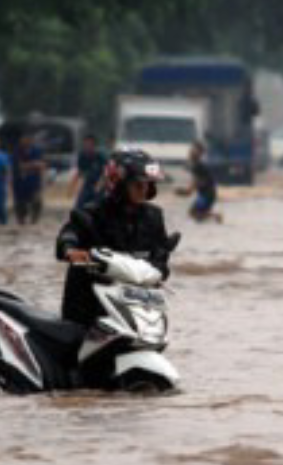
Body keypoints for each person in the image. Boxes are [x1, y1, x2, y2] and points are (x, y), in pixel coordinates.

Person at [55, 150, 174, 327]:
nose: (144, 190)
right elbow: (70, 233)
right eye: (138, 185)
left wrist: (160, 266)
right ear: (120, 184)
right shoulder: (92, 213)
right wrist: (70, 249)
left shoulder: (154, 217)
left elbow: (160, 259)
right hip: (89, 308)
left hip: (134, 308)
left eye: (148, 185)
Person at [176, 140, 223, 223]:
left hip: (206, 194)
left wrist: (188, 191)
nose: (190, 151)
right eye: (191, 149)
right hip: (205, 194)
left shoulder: (198, 165)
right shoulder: (197, 164)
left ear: (199, 153)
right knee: (197, 216)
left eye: (193, 149)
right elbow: (198, 180)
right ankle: (216, 218)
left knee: (194, 213)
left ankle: (217, 216)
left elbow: (197, 181)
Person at [11, 132, 46, 224]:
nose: (26, 141)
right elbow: (19, 166)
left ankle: (34, 221)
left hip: (34, 182)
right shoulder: (17, 151)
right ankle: (21, 221)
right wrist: (34, 164)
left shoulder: (37, 150)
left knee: (37, 202)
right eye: (24, 139)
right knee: (20, 204)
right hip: (20, 182)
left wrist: (29, 165)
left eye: (28, 139)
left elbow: (42, 165)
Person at [68, 134, 107, 210]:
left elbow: (106, 172)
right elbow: (79, 172)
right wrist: (72, 187)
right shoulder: (82, 156)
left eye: (90, 144)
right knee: (78, 206)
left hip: (100, 185)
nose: (87, 146)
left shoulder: (100, 156)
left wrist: (100, 184)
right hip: (88, 185)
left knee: (98, 207)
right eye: (86, 144)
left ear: (94, 145)